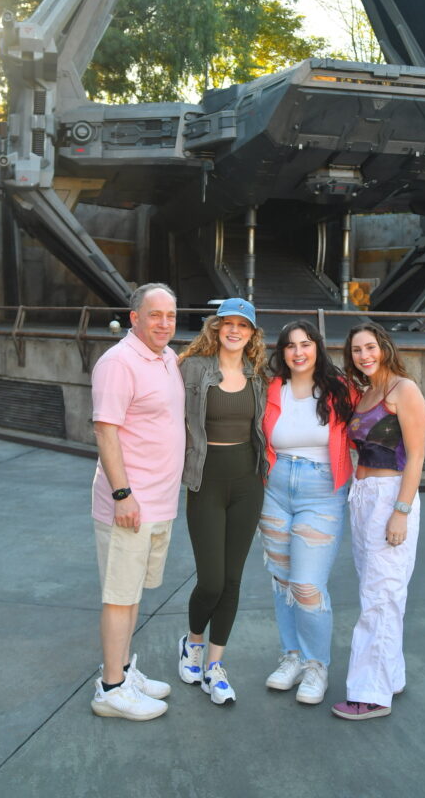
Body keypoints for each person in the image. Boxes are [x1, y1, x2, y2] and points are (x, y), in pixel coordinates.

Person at [90, 283, 185, 721]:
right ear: (134, 318)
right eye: (154, 315)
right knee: (119, 595)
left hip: (159, 501)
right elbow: (105, 430)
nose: (164, 323)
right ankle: (111, 689)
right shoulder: (118, 363)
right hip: (130, 502)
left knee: (131, 595)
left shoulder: (167, 358)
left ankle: (124, 671)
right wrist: (122, 495)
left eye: (171, 315)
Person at [332, 321, 425, 721]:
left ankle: (370, 695)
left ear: (384, 347)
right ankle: (391, 677)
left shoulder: (404, 390)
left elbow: (417, 456)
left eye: (370, 347)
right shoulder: (366, 393)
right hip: (362, 497)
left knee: (381, 595)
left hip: (391, 496)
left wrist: (400, 512)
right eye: (357, 350)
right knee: (379, 591)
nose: (364, 356)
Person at [260, 320, 357, 705]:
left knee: (307, 584)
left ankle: (317, 664)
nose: (298, 352)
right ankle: (292, 657)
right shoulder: (272, 388)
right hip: (275, 489)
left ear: (317, 347)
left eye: (305, 344)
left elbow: (370, 425)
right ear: (282, 352)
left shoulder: (340, 389)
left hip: (322, 492)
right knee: (283, 581)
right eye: (290, 345)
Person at [177, 298, 268, 705]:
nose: (234, 330)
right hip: (206, 481)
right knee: (211, 580)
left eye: (242, 325)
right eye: (227, 323)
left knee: (232, 580)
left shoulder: (258, 374)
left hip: (248, 482)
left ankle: (215, 666)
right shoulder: (192, 368)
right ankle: (193, 642)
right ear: (215, 328)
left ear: (252, 334)